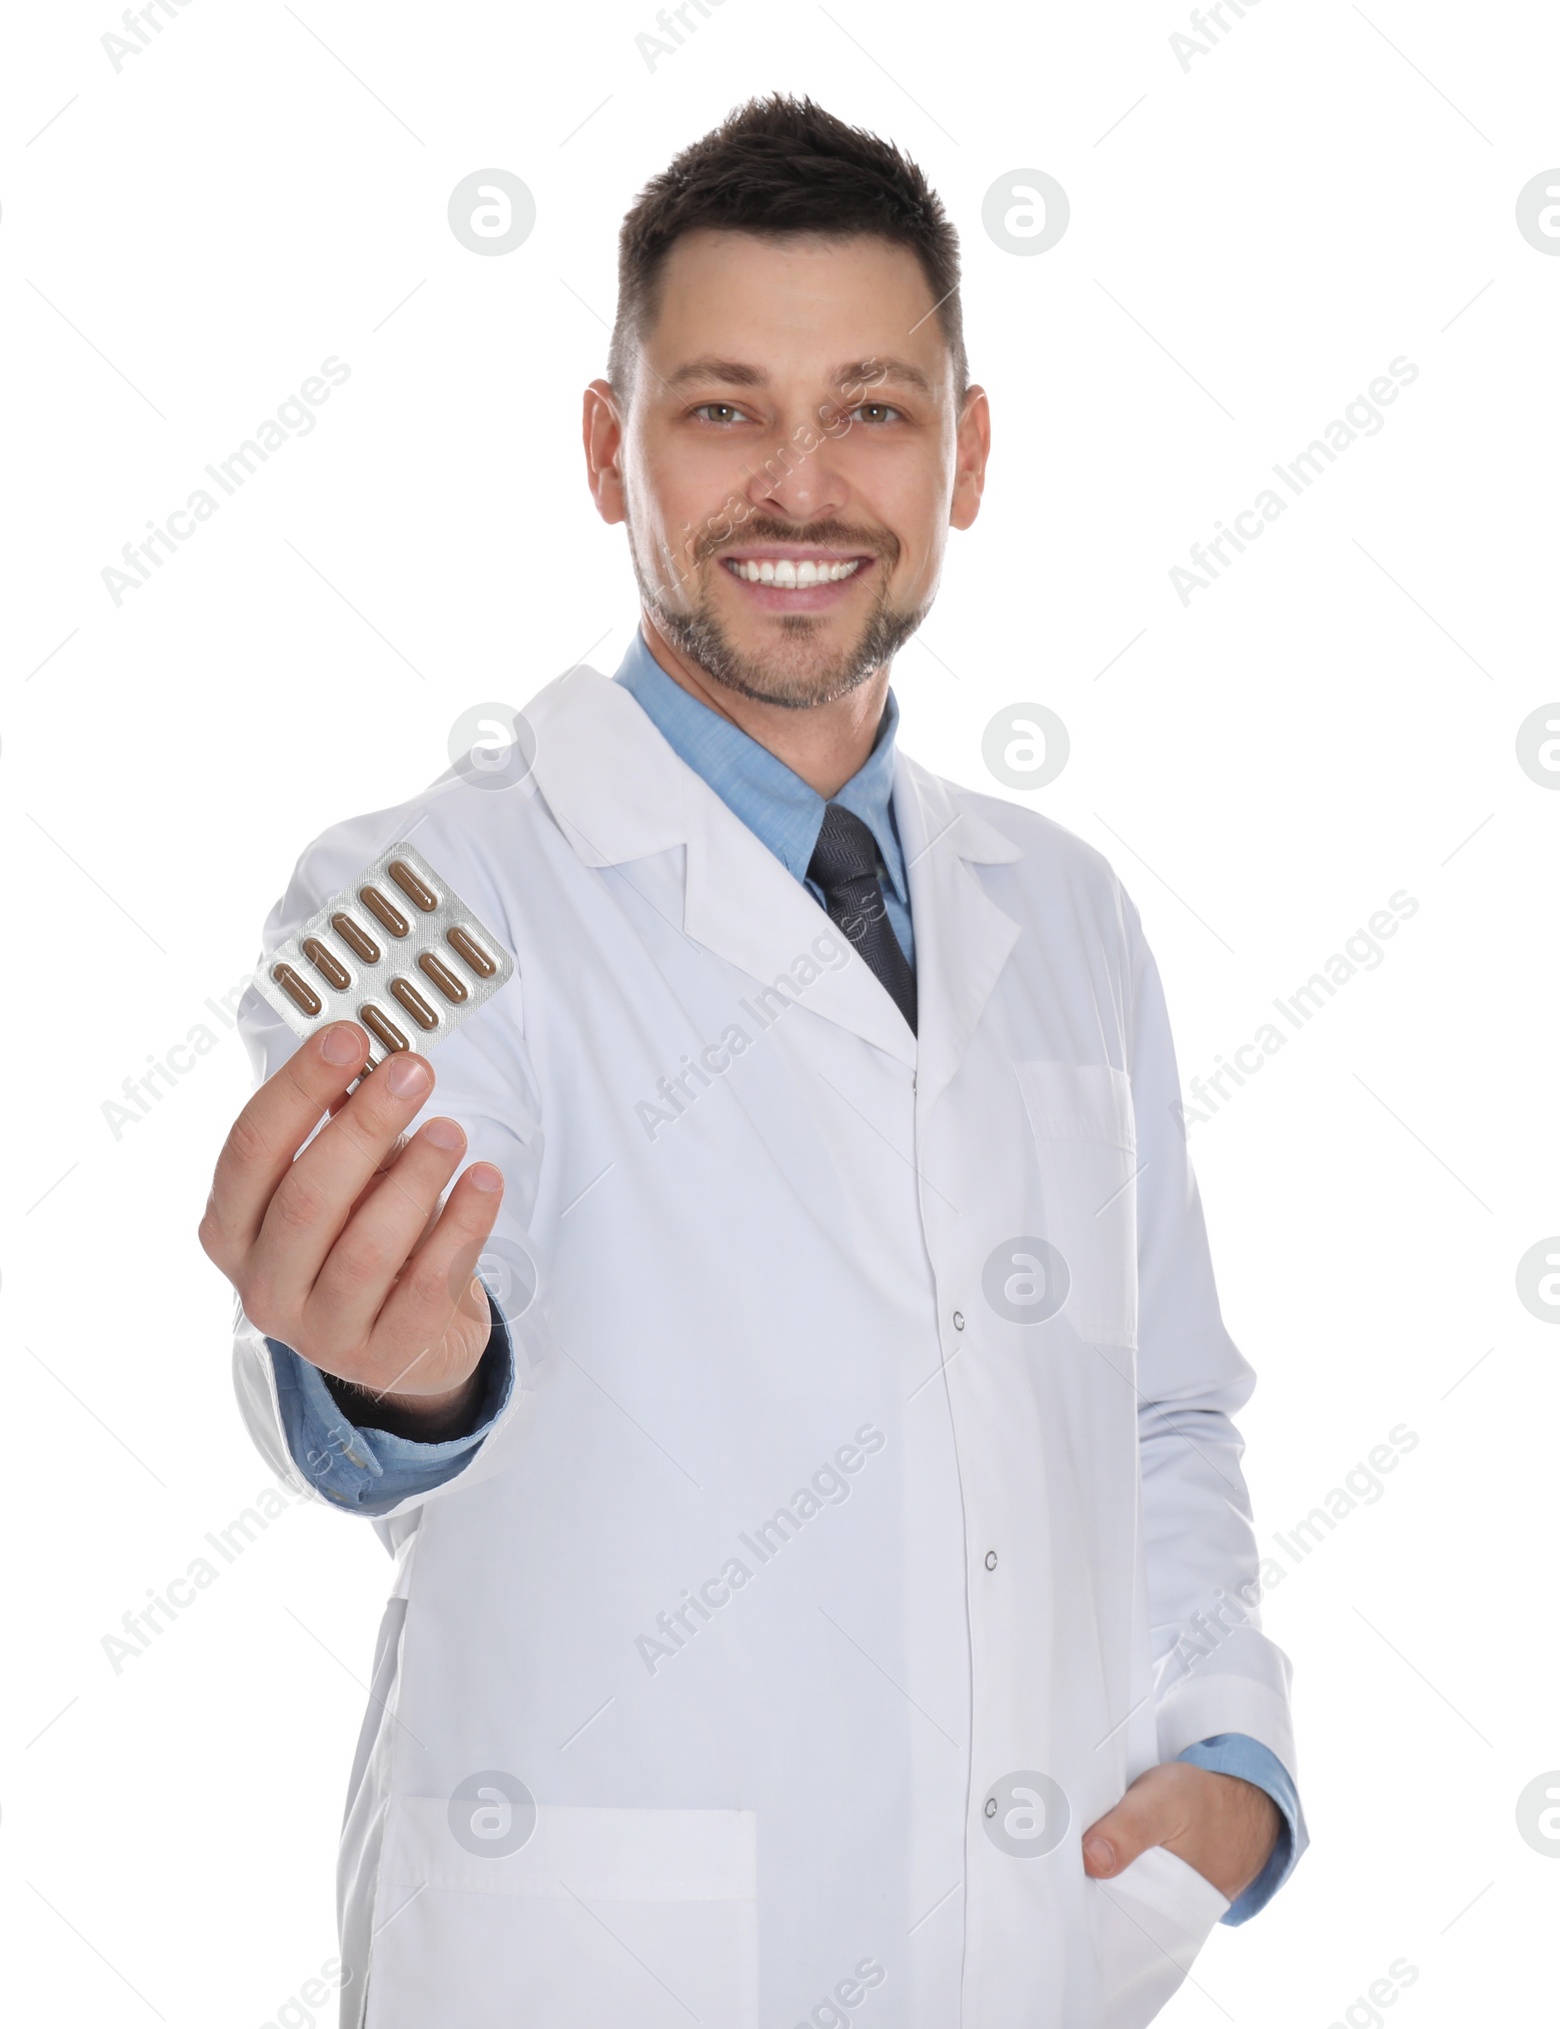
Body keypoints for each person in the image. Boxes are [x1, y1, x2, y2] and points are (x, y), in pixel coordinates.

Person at [200, 94, 1304, 2029]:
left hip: (1026, 1961)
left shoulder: (1066, 910)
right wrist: (399, 1373)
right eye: (721, 409)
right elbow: (430, 1330)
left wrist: (1225, 1754)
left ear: (963, 456)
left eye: (871, 407)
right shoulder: (431, 896)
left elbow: (1164, 1416)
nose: (800, 487)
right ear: (608, 449)